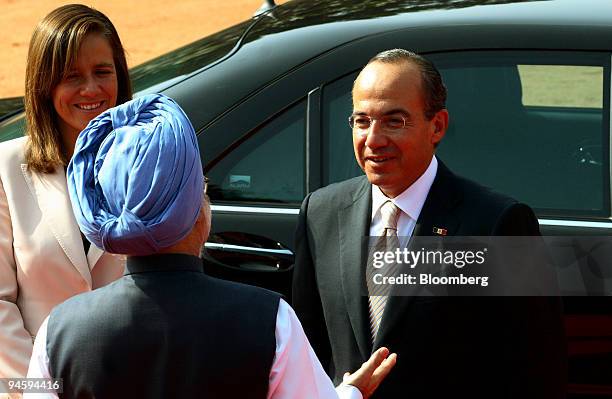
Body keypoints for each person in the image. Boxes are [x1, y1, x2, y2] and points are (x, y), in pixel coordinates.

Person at [25, 93, 396, 399]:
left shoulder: (57, 332)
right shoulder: (270, 320)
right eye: (202, 187)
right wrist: (349, 394)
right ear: (195, 211)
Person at [292, 49, 567, 398]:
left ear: (436, 126)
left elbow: (538, 371)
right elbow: (308, 355)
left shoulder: (497, 223)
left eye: (394, 121)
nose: (373, 140)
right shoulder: (321, 212)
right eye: (362, 121)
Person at [0, 5, 131, 396]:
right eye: (72, 76)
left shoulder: (148, 162)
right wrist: (46, 390)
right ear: (44, 84)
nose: (91, 90)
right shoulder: (6, 169)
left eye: (102, 72)